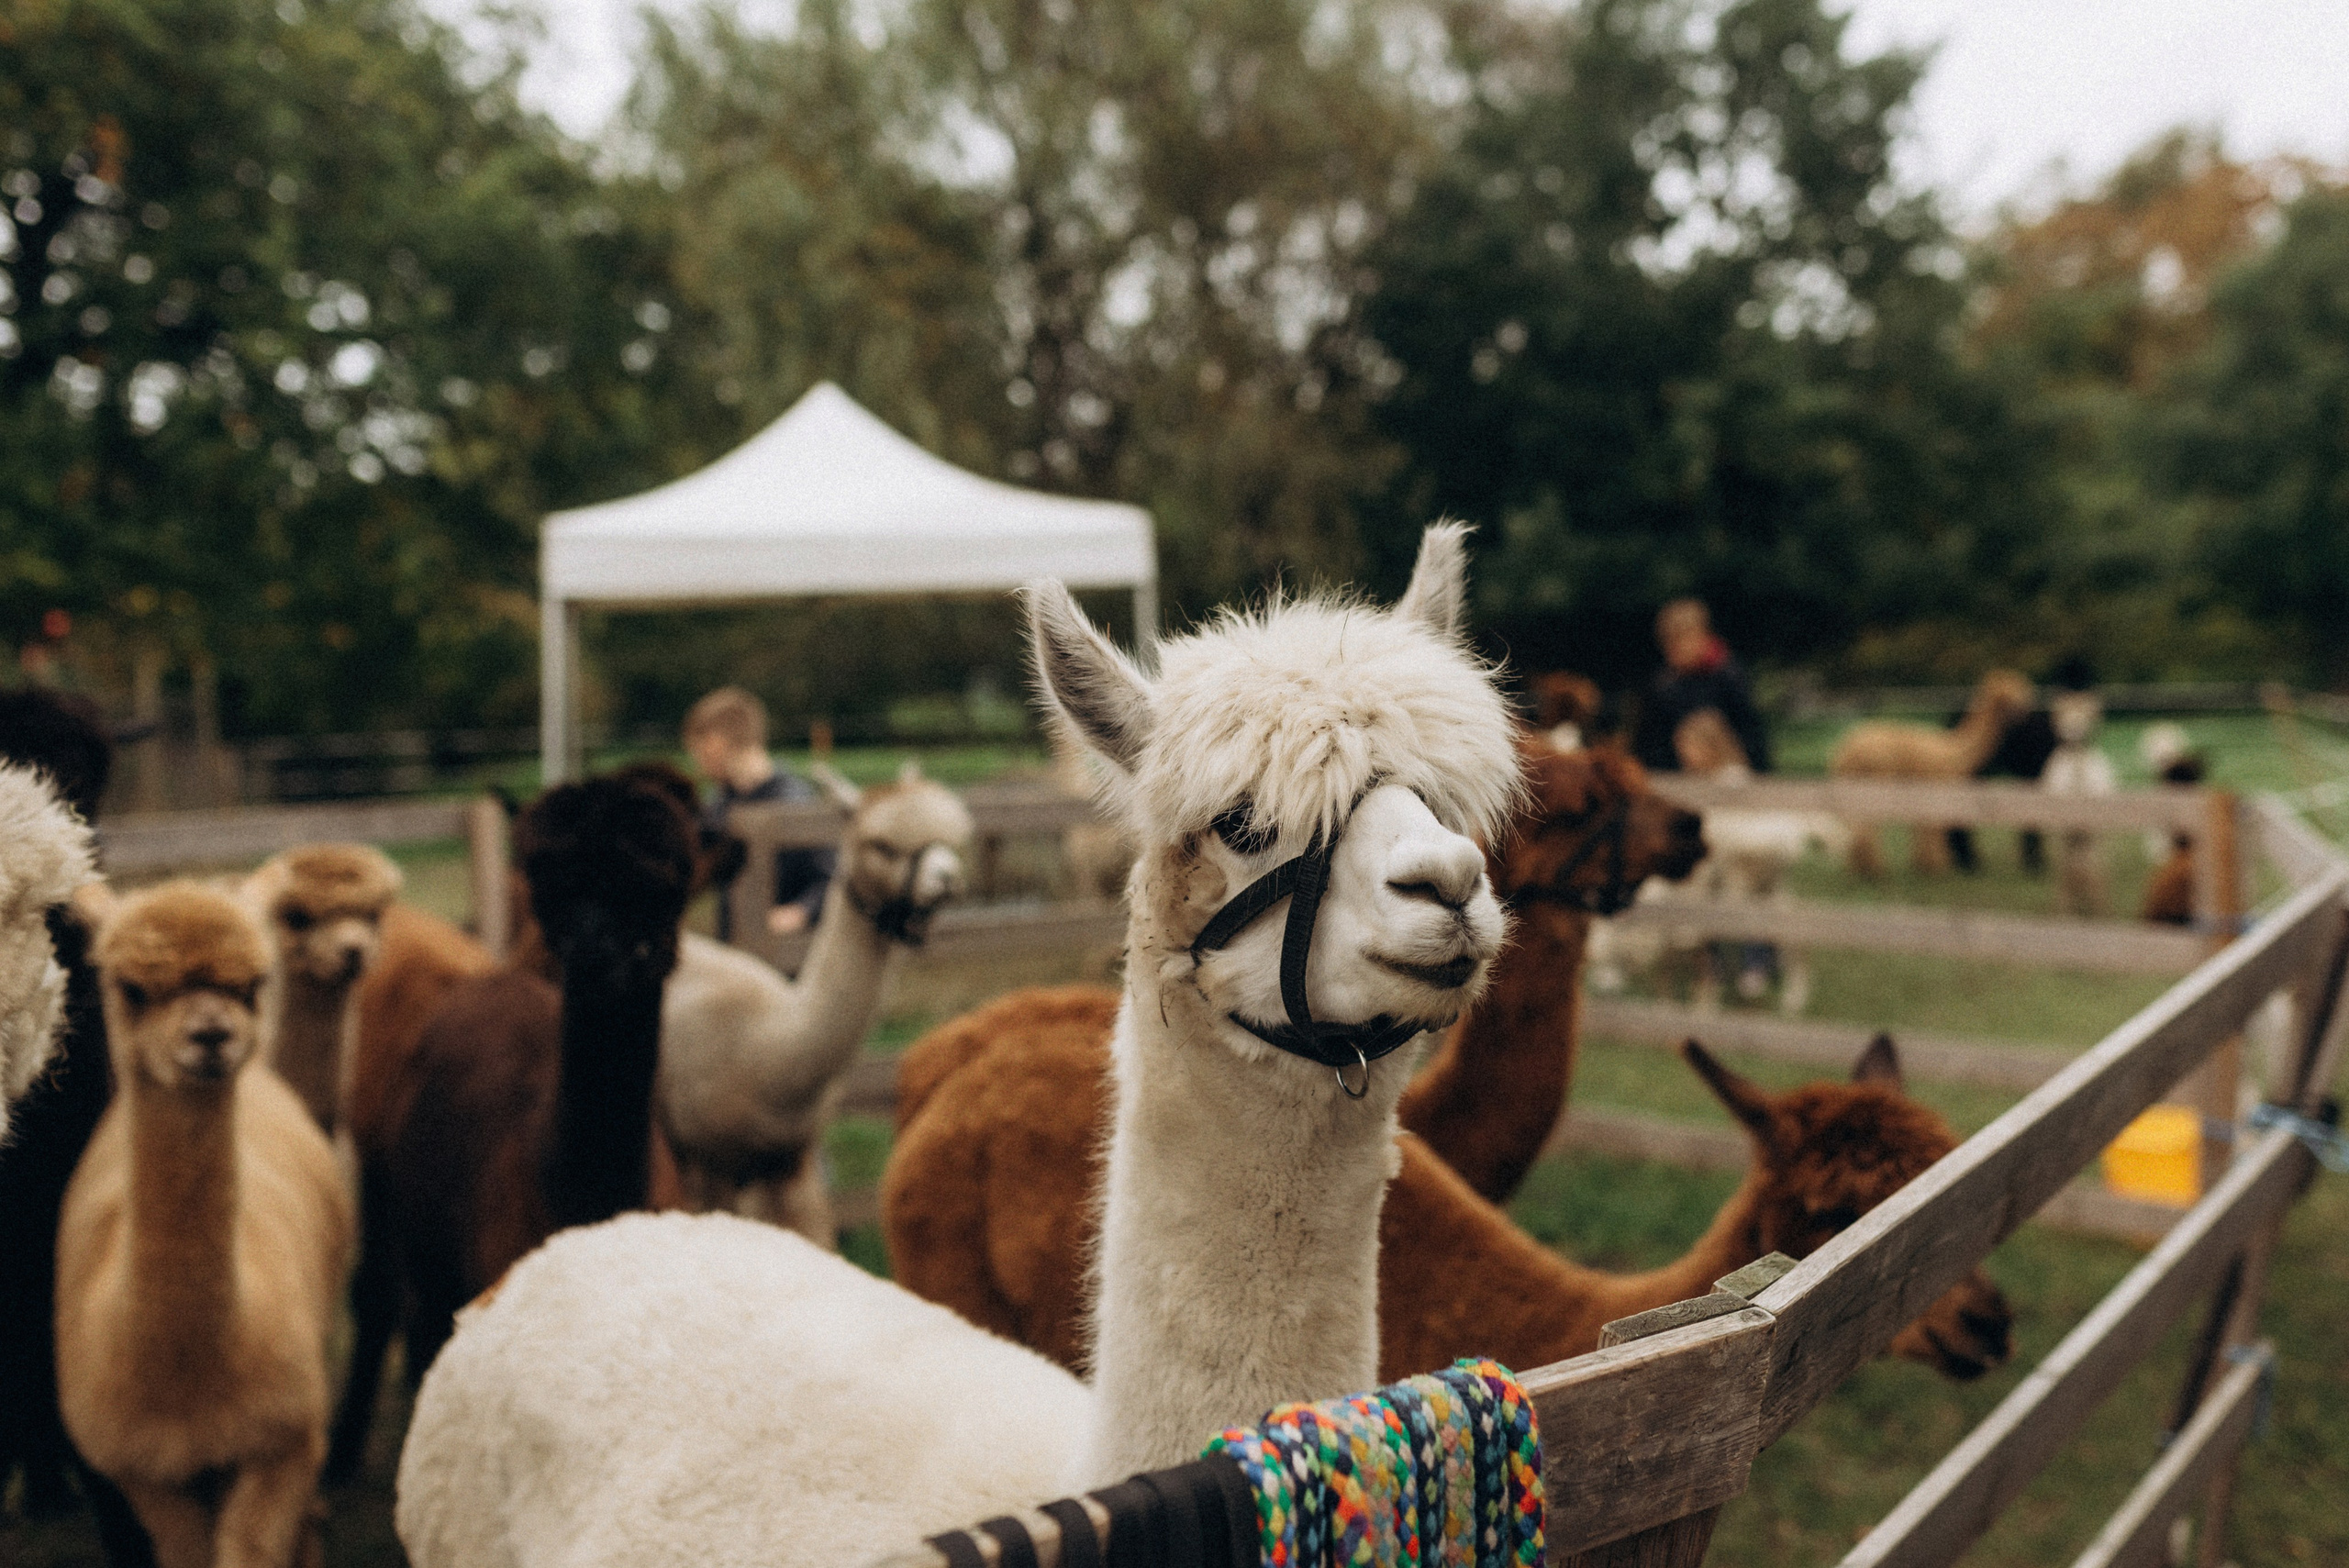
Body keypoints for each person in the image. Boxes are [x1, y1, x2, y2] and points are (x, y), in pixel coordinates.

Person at [682, 687, 835, 940]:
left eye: (700, 748)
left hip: (785, 957)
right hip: (734, 950)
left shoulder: (797, 803)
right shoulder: (718, 804)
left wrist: (800, 912)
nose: (697, 761)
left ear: (719, 742)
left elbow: (832, 880)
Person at [1631, 599, 1772, 776]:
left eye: (1680, 640)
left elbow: (1752, 736)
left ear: (1701, 636)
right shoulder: (1663, 686)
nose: (1673, 649)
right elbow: (1649, 745)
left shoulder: (1728, 676)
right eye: (1667, 642)